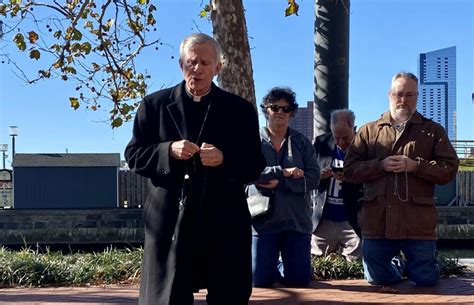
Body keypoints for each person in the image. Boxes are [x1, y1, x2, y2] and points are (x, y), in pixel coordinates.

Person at [125, 33, 266, 305]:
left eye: (204, 63)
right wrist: (167, 151)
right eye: (191, 62)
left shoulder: (240, 110)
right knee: (168, 297)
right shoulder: (154, 106)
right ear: (181, 66)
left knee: (228, 296)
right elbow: (133, 156)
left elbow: (254, 165)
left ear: (218, 68)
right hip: (170, 222)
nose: (197, 69)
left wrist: (224, 158)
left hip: (223, 222)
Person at [344, 72, 459, 287]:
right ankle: (398, 265)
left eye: (409, 94)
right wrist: (380, 165)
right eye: (399, 94)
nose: (403, 100)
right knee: (376, 278)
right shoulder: (368, 131)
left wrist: (416, 166)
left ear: (417, 96)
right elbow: (349, 171)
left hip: (417, 222)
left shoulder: (433, 131)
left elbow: (449, 170)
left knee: (425, 279)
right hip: (377, 220)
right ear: (389, 94)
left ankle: (427, 266)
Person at [250, 87, 320, 287]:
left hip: (297, 222)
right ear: (266, 110)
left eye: (285, 108)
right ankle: (273, 267)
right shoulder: (253, 141)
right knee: (259, 282)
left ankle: (280, 267)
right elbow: (248, 174)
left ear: (291, 112)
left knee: (299, 282)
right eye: (275, 107)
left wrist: (281, 183)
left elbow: (313, 178)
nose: (280, 112)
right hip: (262, 222)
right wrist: (283, 171)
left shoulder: (302, 142)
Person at [311, 109, 363, 261]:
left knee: (357, 264)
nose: (341, 142)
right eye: (337, 137)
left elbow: (371, 178)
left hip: (352, 221)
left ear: (354, 129)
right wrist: (319, 175)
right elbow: (309, 174)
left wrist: (350, 178)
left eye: (346, 137)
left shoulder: (364, 147)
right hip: (324, 219)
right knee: (314, 264)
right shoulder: (321, 143)